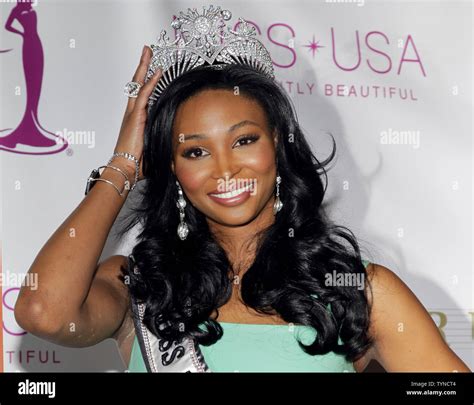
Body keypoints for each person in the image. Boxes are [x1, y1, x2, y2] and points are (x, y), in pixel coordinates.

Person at [14, 6, 470, 373]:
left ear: (279, 142)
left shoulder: (357, 290)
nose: (225, 170)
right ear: (170, 168)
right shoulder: (139, 285)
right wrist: (124, 164)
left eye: (244, 140)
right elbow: (43, 312)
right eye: (195, 151)